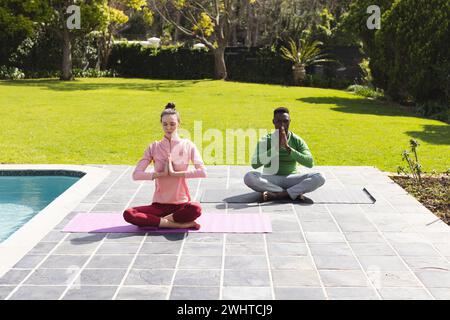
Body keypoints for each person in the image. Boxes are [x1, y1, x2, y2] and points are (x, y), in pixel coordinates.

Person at [123, 102, 206, 229]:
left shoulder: (188, 145)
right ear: (161, 124)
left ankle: (161, 222)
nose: (168, 127)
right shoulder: (154, 147)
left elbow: (202, 172)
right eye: (165, 124)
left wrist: (175, 174)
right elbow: (136, 175)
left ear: (179, 123)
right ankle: (178, 225)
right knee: (129, 214)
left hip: (181, 205)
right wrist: (160, 174)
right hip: (159, 205)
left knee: (196, 208)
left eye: (172, 124)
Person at [244, 107, 325, 203]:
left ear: (290, 121)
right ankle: (291, 192)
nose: (282, 125)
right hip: (271, 179)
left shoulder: (297, 140)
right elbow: (255, 164)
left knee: (320, 177)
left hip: (292, 178)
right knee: (249, 177)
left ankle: (279, 194)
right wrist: (276, 148)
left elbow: (309, 163)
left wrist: (288, 148)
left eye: (285, 121)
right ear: (273, 122)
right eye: (278, 121)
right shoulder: (266, 140)